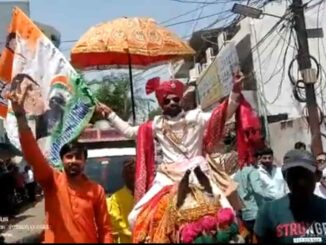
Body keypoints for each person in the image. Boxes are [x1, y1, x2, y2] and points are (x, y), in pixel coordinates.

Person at [7, 87, 113, 243]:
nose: (73, 161)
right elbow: (33, 155)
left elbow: (105, 230)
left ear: (84, 161)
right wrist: (20, 116)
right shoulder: (52, 181)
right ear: (62, 160)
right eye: (69, 157)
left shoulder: (96, 191)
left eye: (78, 157)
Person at [254, 149, 326, 243]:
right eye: (294, 175)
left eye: (305, 175)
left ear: (317, 176)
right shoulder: (269, 212)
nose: (300, 182)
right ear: (285, 177)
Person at [233, 150, 274, 243]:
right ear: (254, 158)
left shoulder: (237, 174)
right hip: (256, 212)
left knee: (252, 238)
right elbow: (258, 190)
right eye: (258, 158)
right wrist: (272, 199)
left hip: (246, 213)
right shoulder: (252, 171)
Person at [107, 158, 135, 243]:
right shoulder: (115, 199)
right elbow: (116, 223)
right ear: (124, 176)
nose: (132, 177)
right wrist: (134, 233)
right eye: (129, 173)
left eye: (134, 173)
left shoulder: (147, 195)